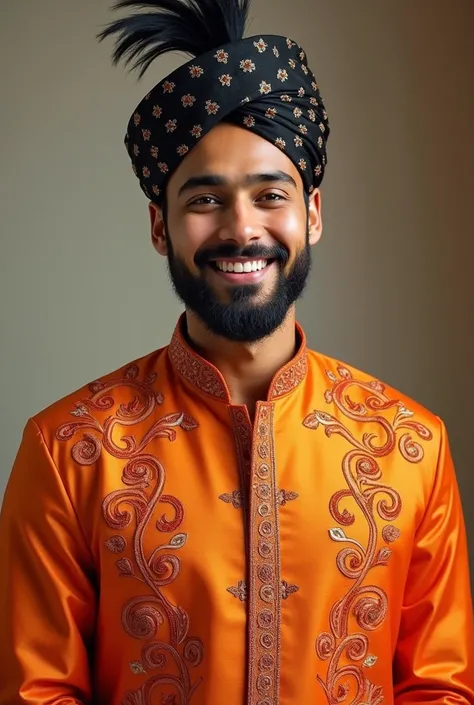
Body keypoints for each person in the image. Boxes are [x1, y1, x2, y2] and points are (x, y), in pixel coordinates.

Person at [1, 0, 473, 703]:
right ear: (160, 225)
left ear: (311, 213)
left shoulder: (410, 446)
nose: (241, 227)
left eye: (270, 193)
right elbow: (36, 690)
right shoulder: (69, 450)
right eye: (205, 200)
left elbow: (439, 687)